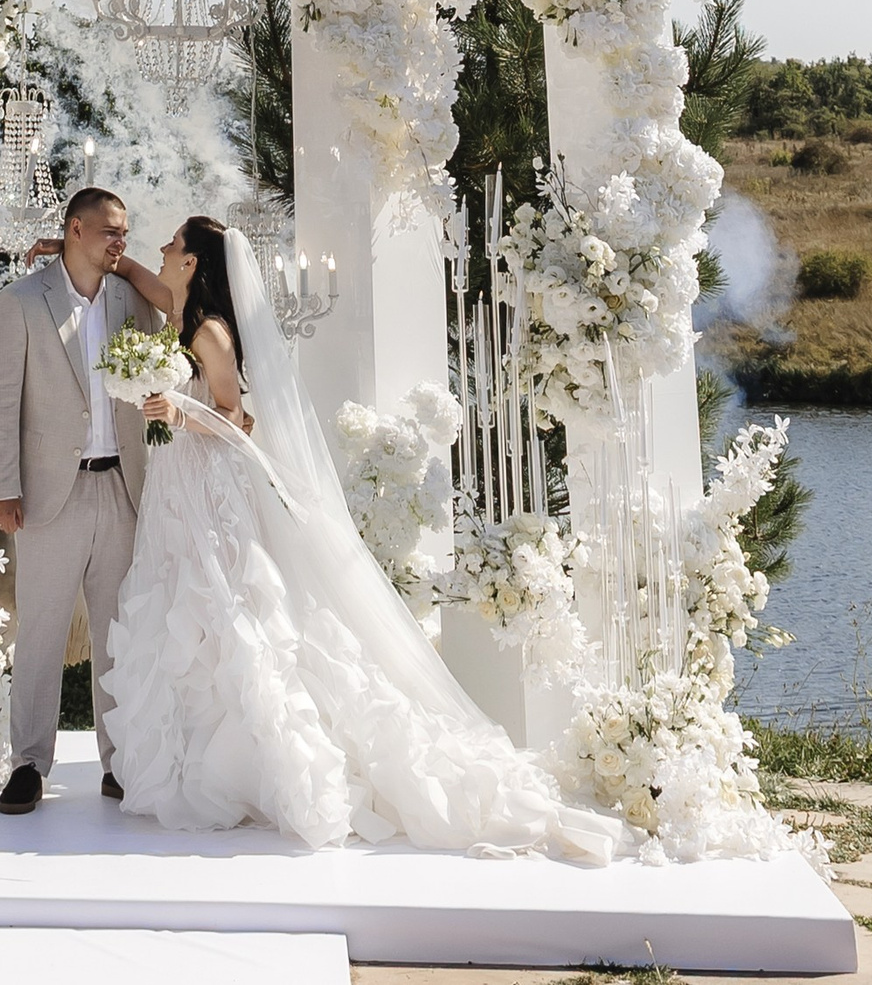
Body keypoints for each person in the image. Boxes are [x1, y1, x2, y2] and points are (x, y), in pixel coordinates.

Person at [95, 214, 626, 861]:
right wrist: (114, 260)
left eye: (173, 244)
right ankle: (194, 756)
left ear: (193, 263)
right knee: (183, 609)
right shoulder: (177, 309)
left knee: (226, 611)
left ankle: (254, 763)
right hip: (176, 486)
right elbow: (145, 281)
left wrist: (181, 409)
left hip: (209, 485)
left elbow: (234, 412)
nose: (162, 249)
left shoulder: (209, 331)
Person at [0, 184, 169, 817]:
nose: (121, 240)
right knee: (40, 632)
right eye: (110, 230)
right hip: (45, 494)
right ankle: (29, 765)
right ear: (75, 230)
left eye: (126, 231)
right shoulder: (22, 302)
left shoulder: (132, 301)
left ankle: (120, 765)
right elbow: (1, 402)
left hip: (122, 487)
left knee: (119, 632)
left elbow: (170, 345)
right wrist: (1, 487)